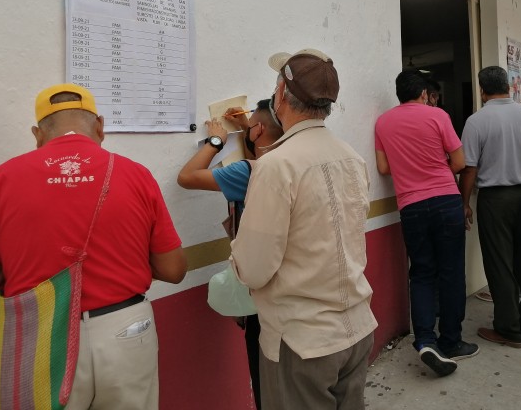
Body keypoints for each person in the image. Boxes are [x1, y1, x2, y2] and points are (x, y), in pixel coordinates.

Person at [0, 83, 187, 410]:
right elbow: (174, 270)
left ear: (38, 133)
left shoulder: (3, 179)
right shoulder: (136, 174)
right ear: (100, 126)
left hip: (41, 339)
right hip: (127, 329)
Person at [230, 49, 377, 410]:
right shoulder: (352, 157)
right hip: (357, 329)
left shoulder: (276, 165)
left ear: (281, 94)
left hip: (302, 342)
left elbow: (254, 267)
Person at [177, 100, 284, 409]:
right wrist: (251, 127)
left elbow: (187, 177)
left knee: (264, 371)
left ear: (259, 130)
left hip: (260, 292)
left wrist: (216, 141)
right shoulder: (291, 163)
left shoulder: (245, 173)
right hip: (296, 289)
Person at [375, 69, 477, 377]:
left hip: (411, 206)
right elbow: (459, 163)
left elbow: (382, 168)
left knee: (421, 272)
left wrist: (410, 169)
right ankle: (451, 341)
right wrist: (434, 166)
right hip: (445, 201)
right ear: (423, 93)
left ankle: (424, 340)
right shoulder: (438, 116)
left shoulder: (383, 122)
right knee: (451, 272)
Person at [459, 67, 521, 349]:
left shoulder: (476, 121)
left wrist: (464, 203)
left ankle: (508, 329)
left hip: (495, 199)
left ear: (482, 89)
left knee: (499, 264)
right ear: (508, 87)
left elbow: (469, 168)